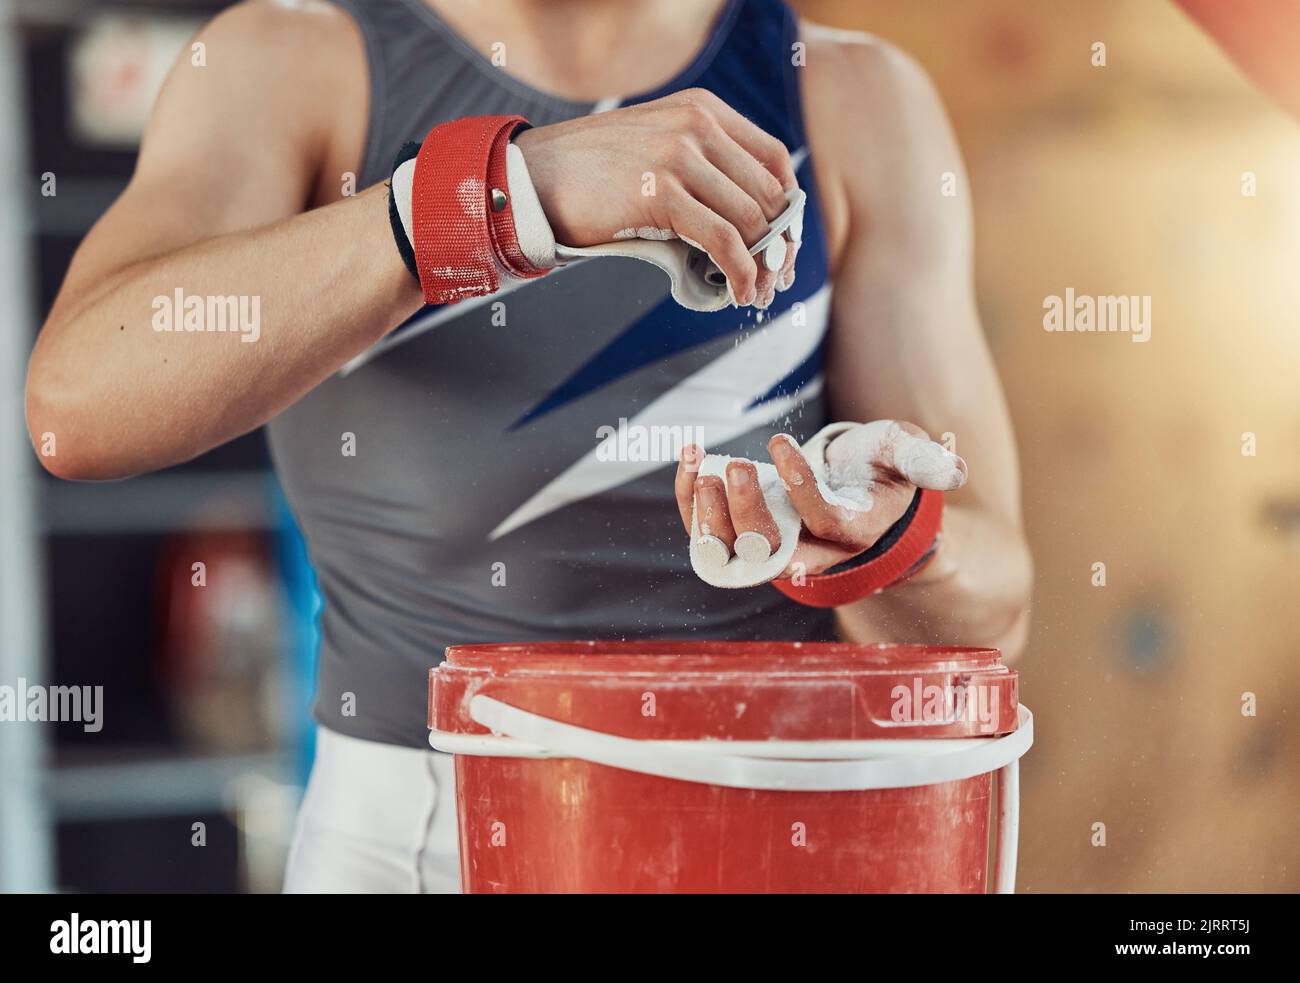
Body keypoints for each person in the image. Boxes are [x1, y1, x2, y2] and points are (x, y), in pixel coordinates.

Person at [25, 0, 1033, 892]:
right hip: (421, 834)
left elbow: (995, 603)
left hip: (773, 818)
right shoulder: (294, 60)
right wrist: (498, 196)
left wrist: (876, 539)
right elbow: (79, 402)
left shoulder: (855, 94)